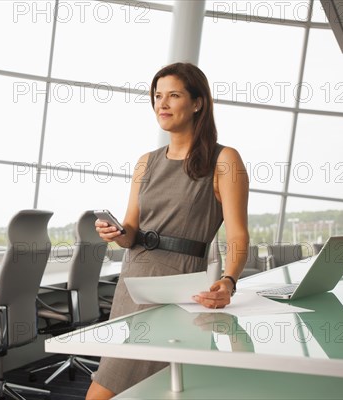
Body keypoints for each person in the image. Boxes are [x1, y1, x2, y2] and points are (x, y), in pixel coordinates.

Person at [86, 62, 249, 399]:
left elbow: (238, 235)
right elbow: (131, 231)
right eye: (157, 96)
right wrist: (116, 233)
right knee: (150, 391)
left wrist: (229, 281)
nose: (162, 103)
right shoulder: (146, 161)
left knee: (103, 394)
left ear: (197, 102)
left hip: (178, 289)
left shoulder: (224, 160)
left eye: (173, 95)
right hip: (133, 286)